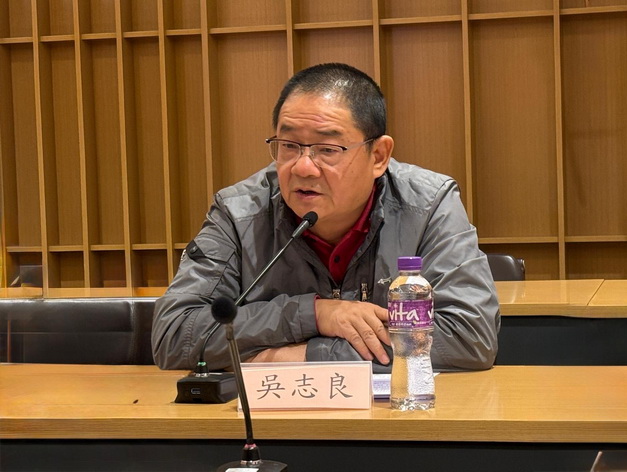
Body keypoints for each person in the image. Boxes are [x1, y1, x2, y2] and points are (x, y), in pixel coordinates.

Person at [152, 63, 500, 373]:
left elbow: (468, 337)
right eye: (289, 146)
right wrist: (315, 314)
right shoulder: (239, 212)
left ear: (378, 156)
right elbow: (175, 335)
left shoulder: (427, 206)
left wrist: (303, 356)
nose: (303, 167)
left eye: (327, 150)